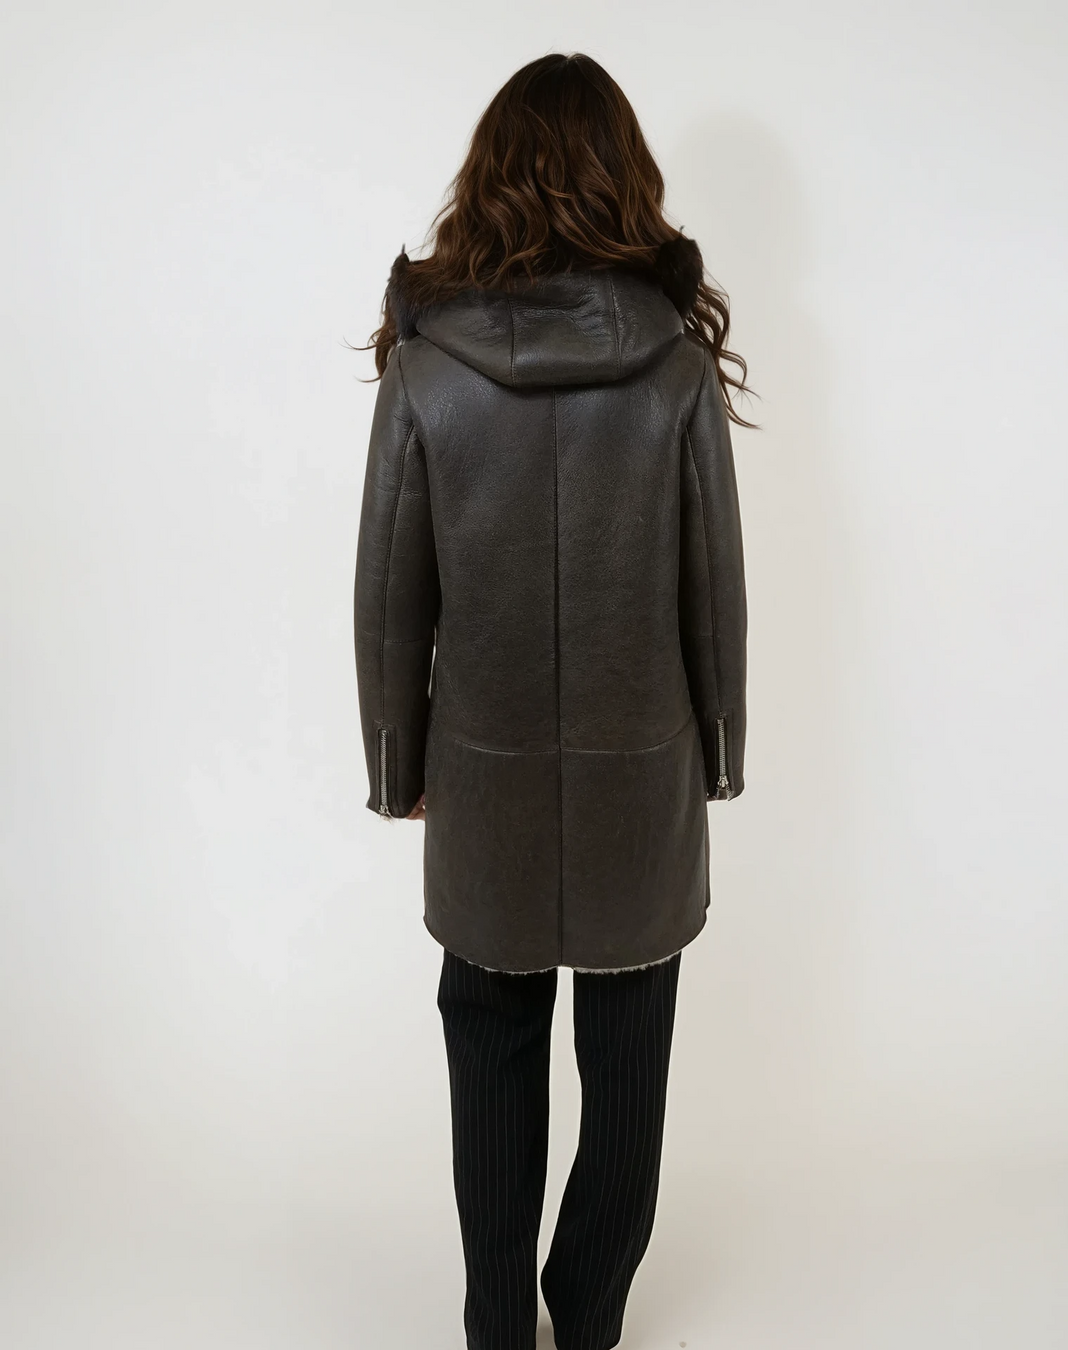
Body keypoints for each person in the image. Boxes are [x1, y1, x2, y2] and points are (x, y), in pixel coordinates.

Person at [353, 52, 753, 1350]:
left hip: (486, 772)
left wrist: (398, 762)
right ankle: (587, 1317)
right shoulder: (674, 367)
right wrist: (718, 750)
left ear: (489, 178)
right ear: (624, 178)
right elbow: (713, 583)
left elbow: (388, 590)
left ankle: (497, 1325)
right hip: (644, 769)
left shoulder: (428, 368)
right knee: (629, 1062)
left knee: (489, 1039)